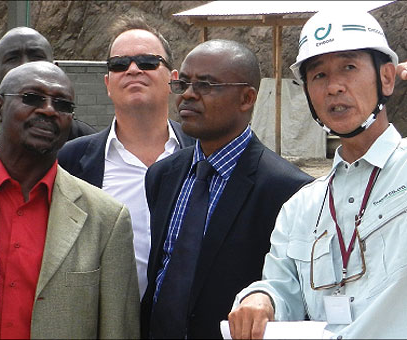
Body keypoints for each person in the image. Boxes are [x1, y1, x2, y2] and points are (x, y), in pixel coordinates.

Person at [228, 9, 407, 339]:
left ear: (386, 78)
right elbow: (283, 287)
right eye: (319, 75)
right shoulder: (300, 207)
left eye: (349, 67)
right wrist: (261, 298)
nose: (334, 87)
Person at [140, 39, 312, 339]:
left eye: (206, 85)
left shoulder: (289, 190)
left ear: (246, 98)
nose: (188, 95)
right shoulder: (161, 175)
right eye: (184, 83)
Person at [0, 61, 139, 338]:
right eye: (32, 98)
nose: (48, 110)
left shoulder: (106, 219)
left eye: (62, 105)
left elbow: (118, 330)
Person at [58, 16, 194, 299]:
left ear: (173, 79)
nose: (133, 69)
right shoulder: (72, 161)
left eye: (147, 62)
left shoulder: (203, 153)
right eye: (120, 64)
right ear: (108, 84)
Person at [0, 26, 96, 153]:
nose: (26, 66)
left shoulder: (90, 149)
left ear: (56, 70)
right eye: (12, 58)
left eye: (37, 57)